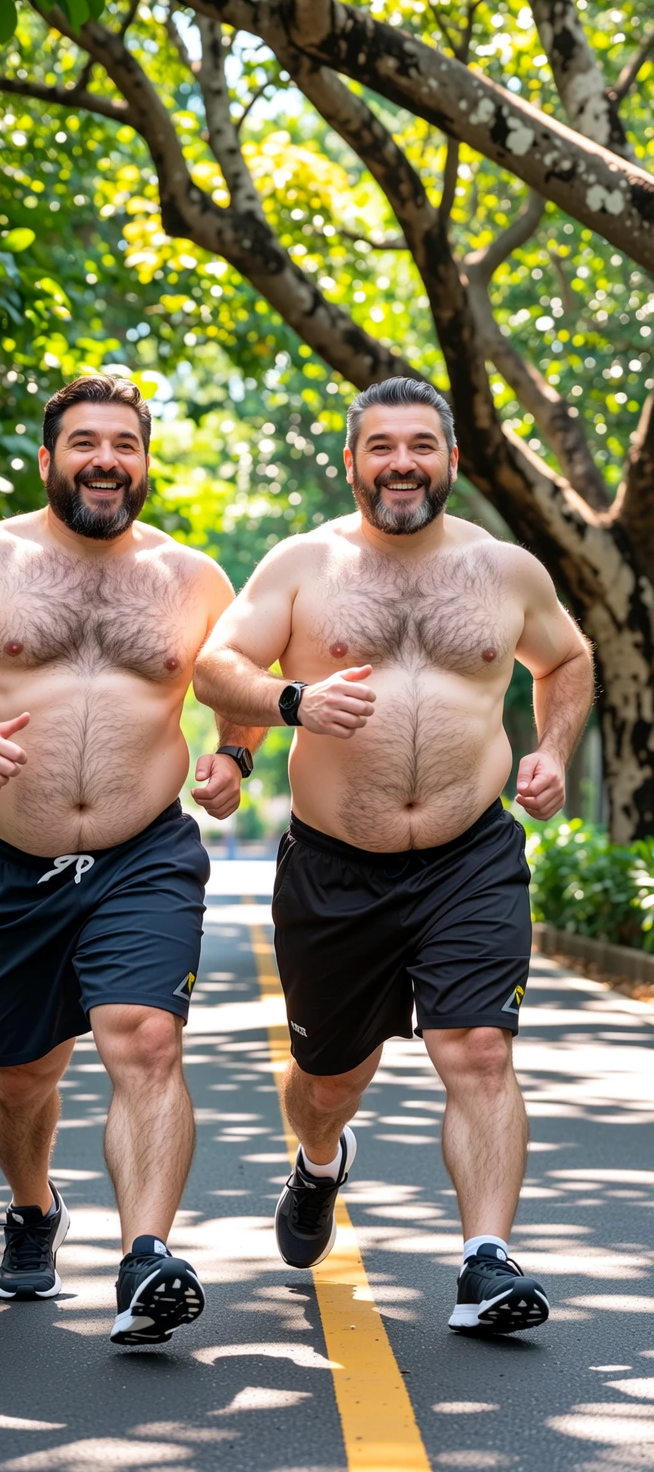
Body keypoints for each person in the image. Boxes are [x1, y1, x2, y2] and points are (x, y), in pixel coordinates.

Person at [0, 373, 260, 1347]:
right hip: (7, 867)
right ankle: (34, 1207)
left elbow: (238, 679)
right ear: (48, 460)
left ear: (145, 461)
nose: (105, 460)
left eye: (123, 443)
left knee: (145, 1039)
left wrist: (236, 757)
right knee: (20, 1076)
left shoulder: (193, 578)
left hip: (144, 854)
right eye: (85, 442)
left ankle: (145, 1262)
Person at [194, 375, 594, 1337]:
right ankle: (320, 1161)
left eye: (422, 444)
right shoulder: (304, 563)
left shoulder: (507, 573)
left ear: (451, 459)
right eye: (382, 447)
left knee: (480, 1050)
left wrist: (550, 752)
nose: (402, 462)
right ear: (353, 462)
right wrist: (291, 706)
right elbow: (216, 664)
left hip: (471, 855)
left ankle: (486, 1261)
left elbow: (568, 661)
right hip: (336, 864)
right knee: (332, 1076)